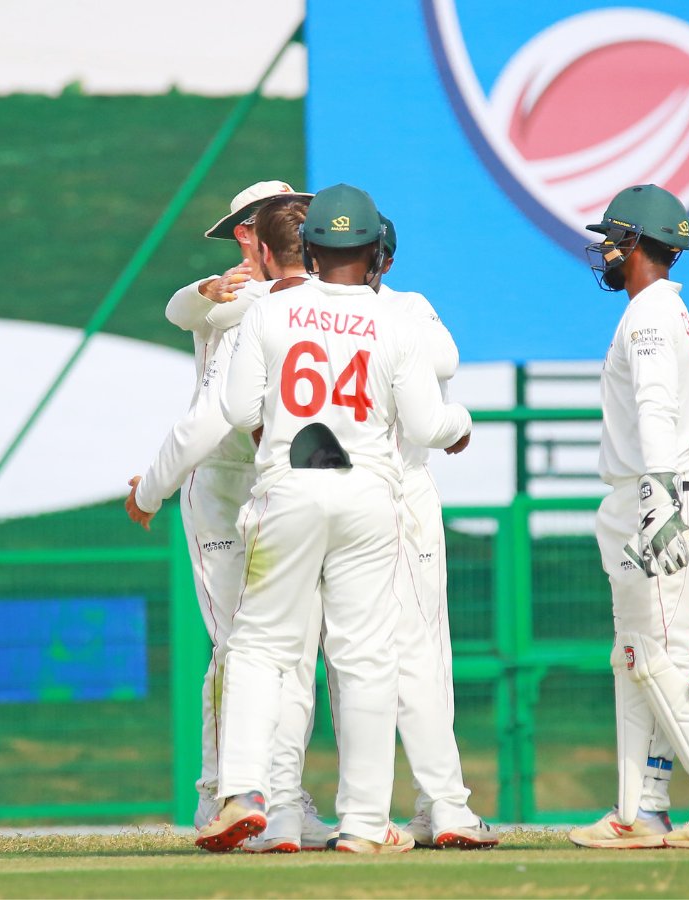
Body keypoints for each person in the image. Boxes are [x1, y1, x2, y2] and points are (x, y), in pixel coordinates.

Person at [198, 184, 472, 853]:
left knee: (262, 648)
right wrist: (460, 424)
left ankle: (244, 791)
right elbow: (427, 423)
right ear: (377, 253)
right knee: (367, 659)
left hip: (287, 493)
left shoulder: (274, 311)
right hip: (371, 500)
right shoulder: (398, 319)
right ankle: (361, 823)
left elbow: (235, 411)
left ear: (308, 251)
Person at [127, 193, 331, 851]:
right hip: (218, 487)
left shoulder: (311, 299)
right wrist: (156, 485)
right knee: (240, 648)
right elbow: (181, 314)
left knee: (291, 650)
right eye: (283, 219)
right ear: (252, 235)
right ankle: (224, 795)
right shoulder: (234, 300)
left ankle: (283, 799)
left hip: (285, 487)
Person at [567, 184, 689, 850]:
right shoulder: (663, 312)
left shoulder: (650, 316)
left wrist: (660, 506)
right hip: (667, 493)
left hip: (660, 495)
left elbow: (656, 415)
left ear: (633, 244)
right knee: (636, 658)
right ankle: (639, 811)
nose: (605, 253)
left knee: (662, 656)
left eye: (611, 241)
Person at [372, 218, 496, 848]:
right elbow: (443, 368)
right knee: (420, 655)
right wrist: (459, 419)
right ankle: (444, 805)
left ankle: (368, 812)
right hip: (399, 491)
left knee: (354, 662)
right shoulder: (407, 309)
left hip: (328, 496)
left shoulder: (308, 310)